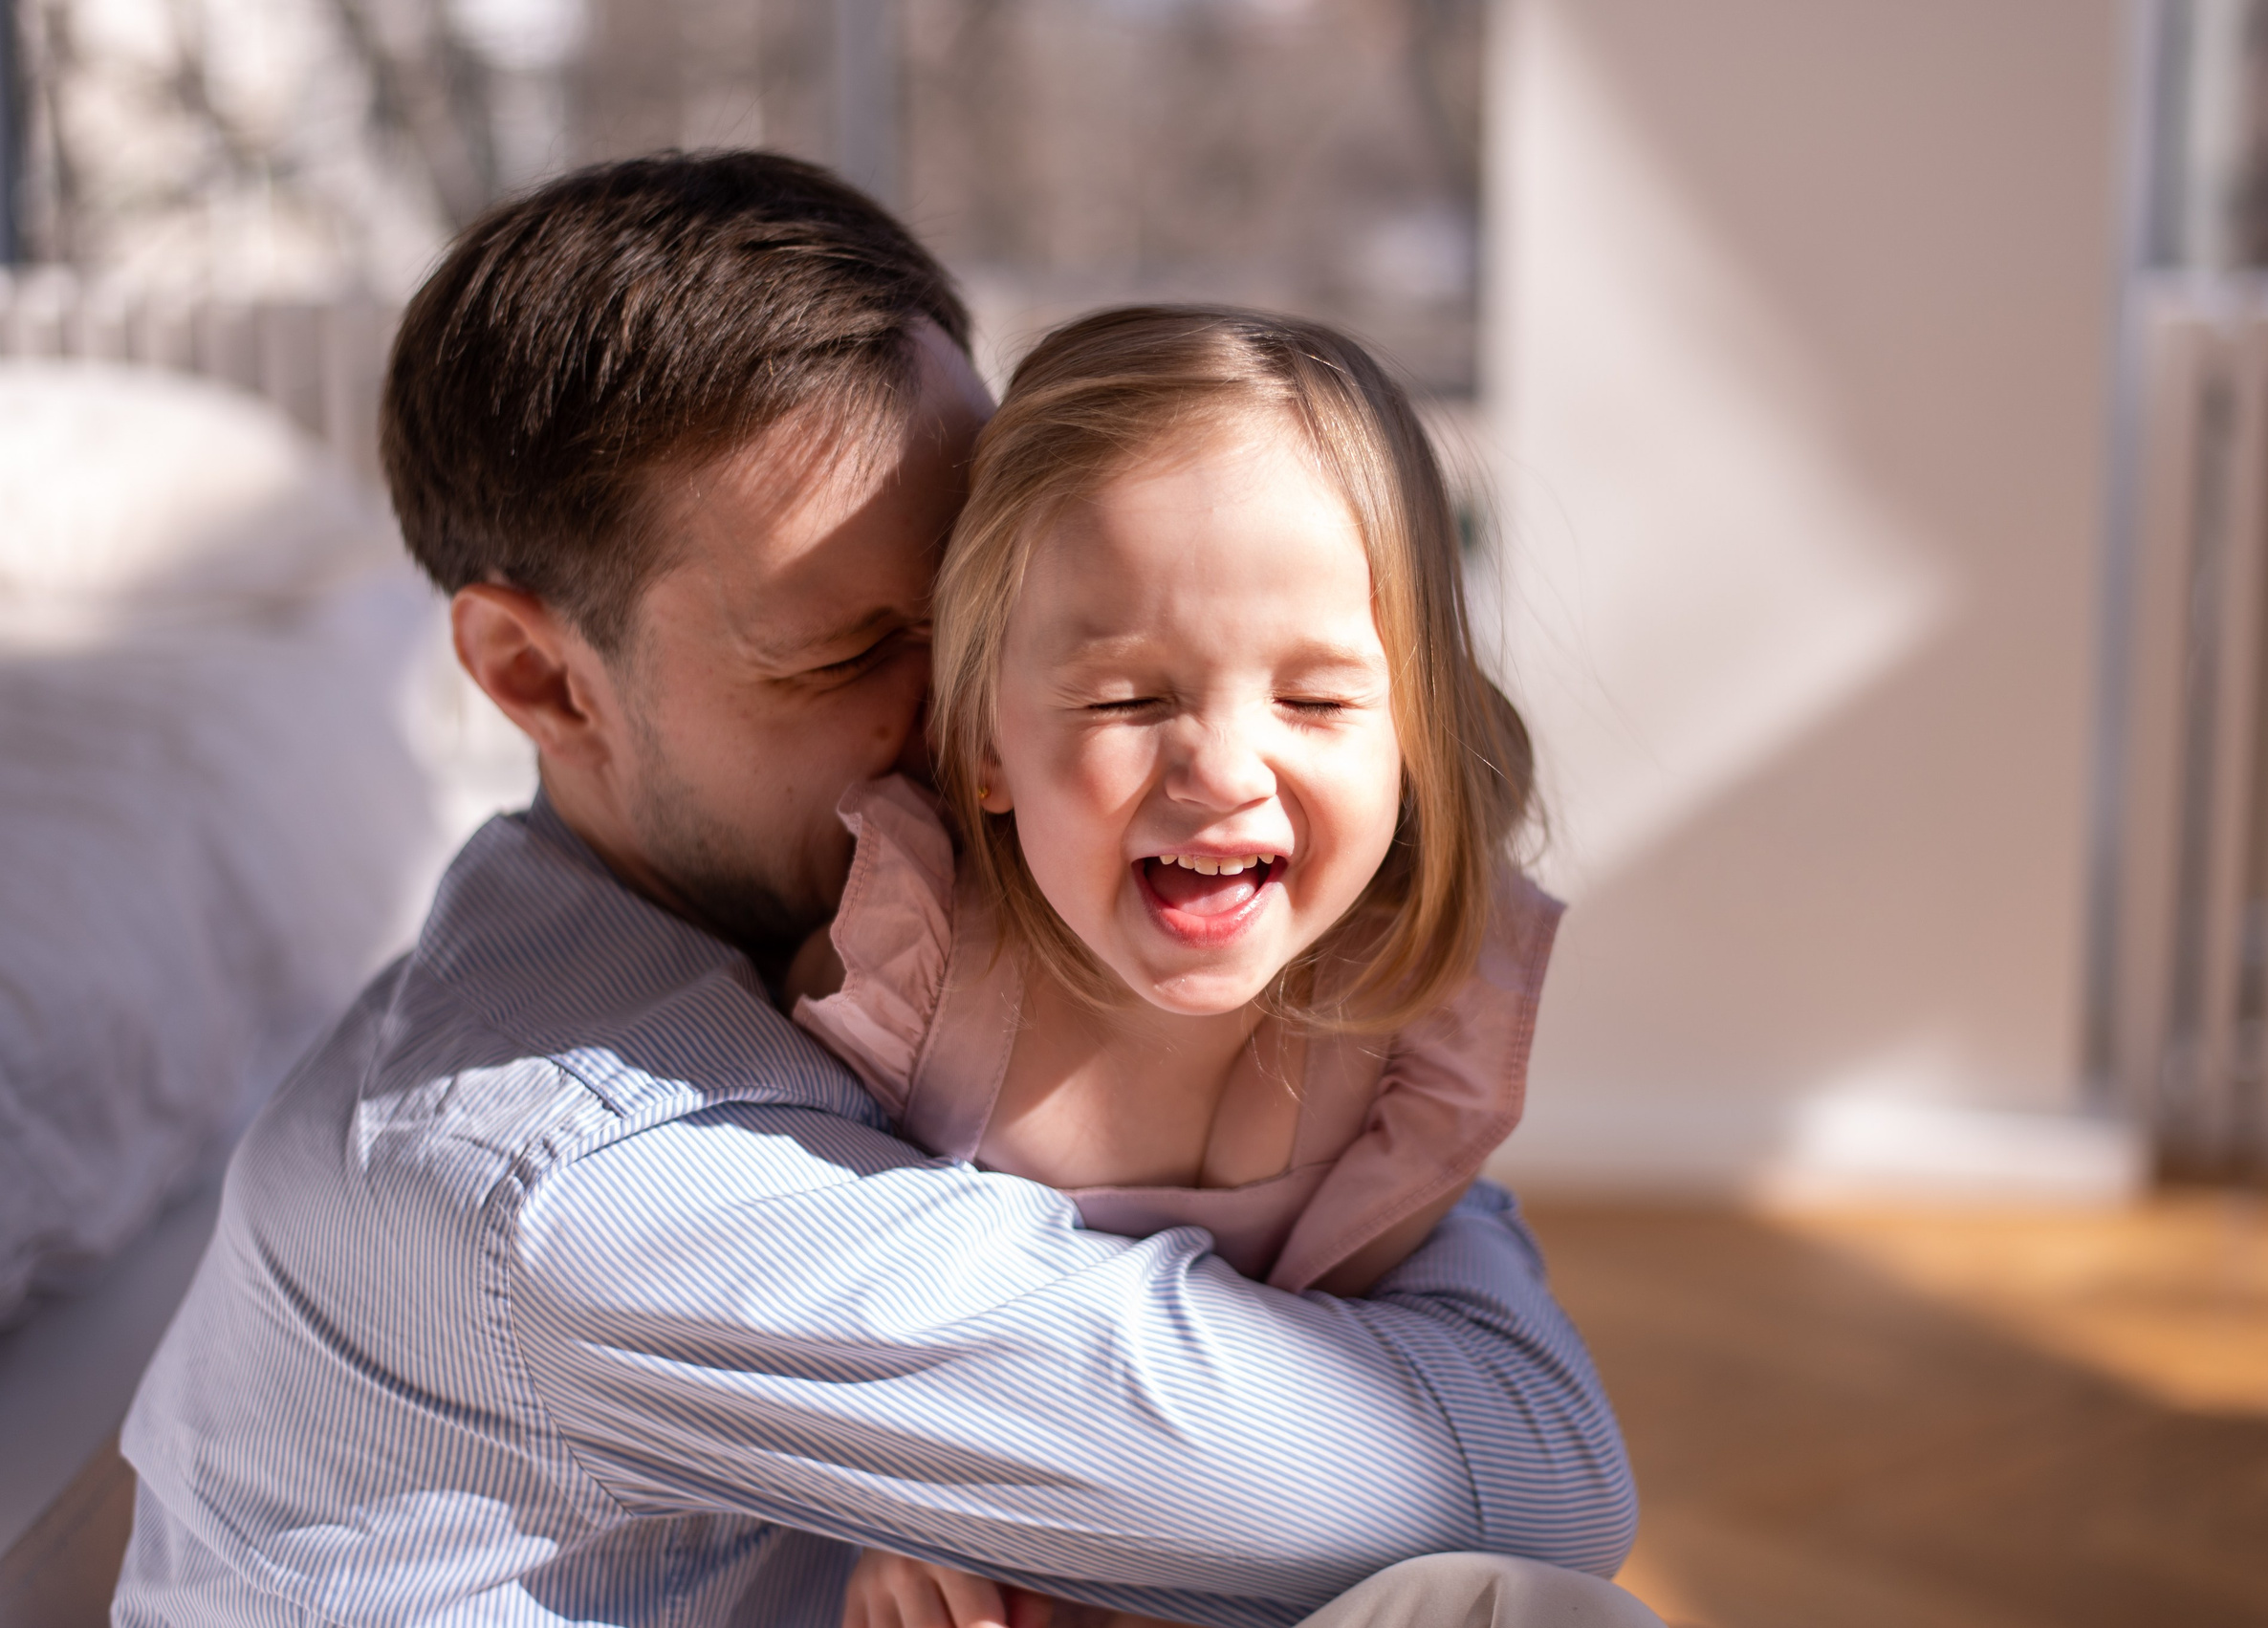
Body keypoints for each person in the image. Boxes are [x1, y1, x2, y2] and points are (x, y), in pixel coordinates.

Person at [110, 152, 1662, 1628]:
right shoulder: (602, 1191)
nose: (987, 716)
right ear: (542, 680)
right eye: (853, 652)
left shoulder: (873, 946)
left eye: (1009, 611)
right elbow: (1509, 1472)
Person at [796, 306, 1579, 1624]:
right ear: (984, 740)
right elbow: (779, 1316)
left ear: (1415, 733)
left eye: (1320, 700)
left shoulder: (1420, 1014)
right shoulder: (912, 974)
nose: (1221, 768)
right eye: (1126, 700)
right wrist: (879, 1508)